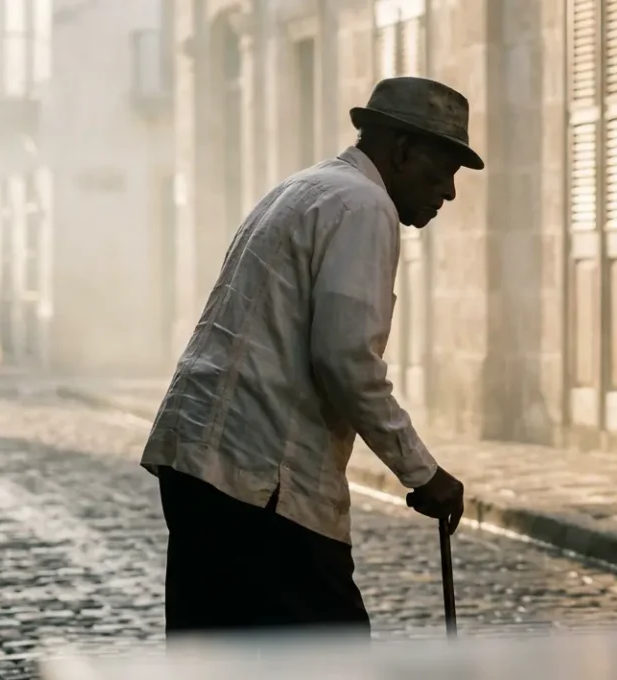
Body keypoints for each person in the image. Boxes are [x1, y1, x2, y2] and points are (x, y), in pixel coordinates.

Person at [140, 77, 483, 636]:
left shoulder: (307, 187)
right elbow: (345, 358)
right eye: (441, 170)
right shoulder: (364, 206)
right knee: (329, 653)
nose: (447, 192)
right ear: (399, 150)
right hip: (260, 478)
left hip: (202, 461)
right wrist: (422, 472)